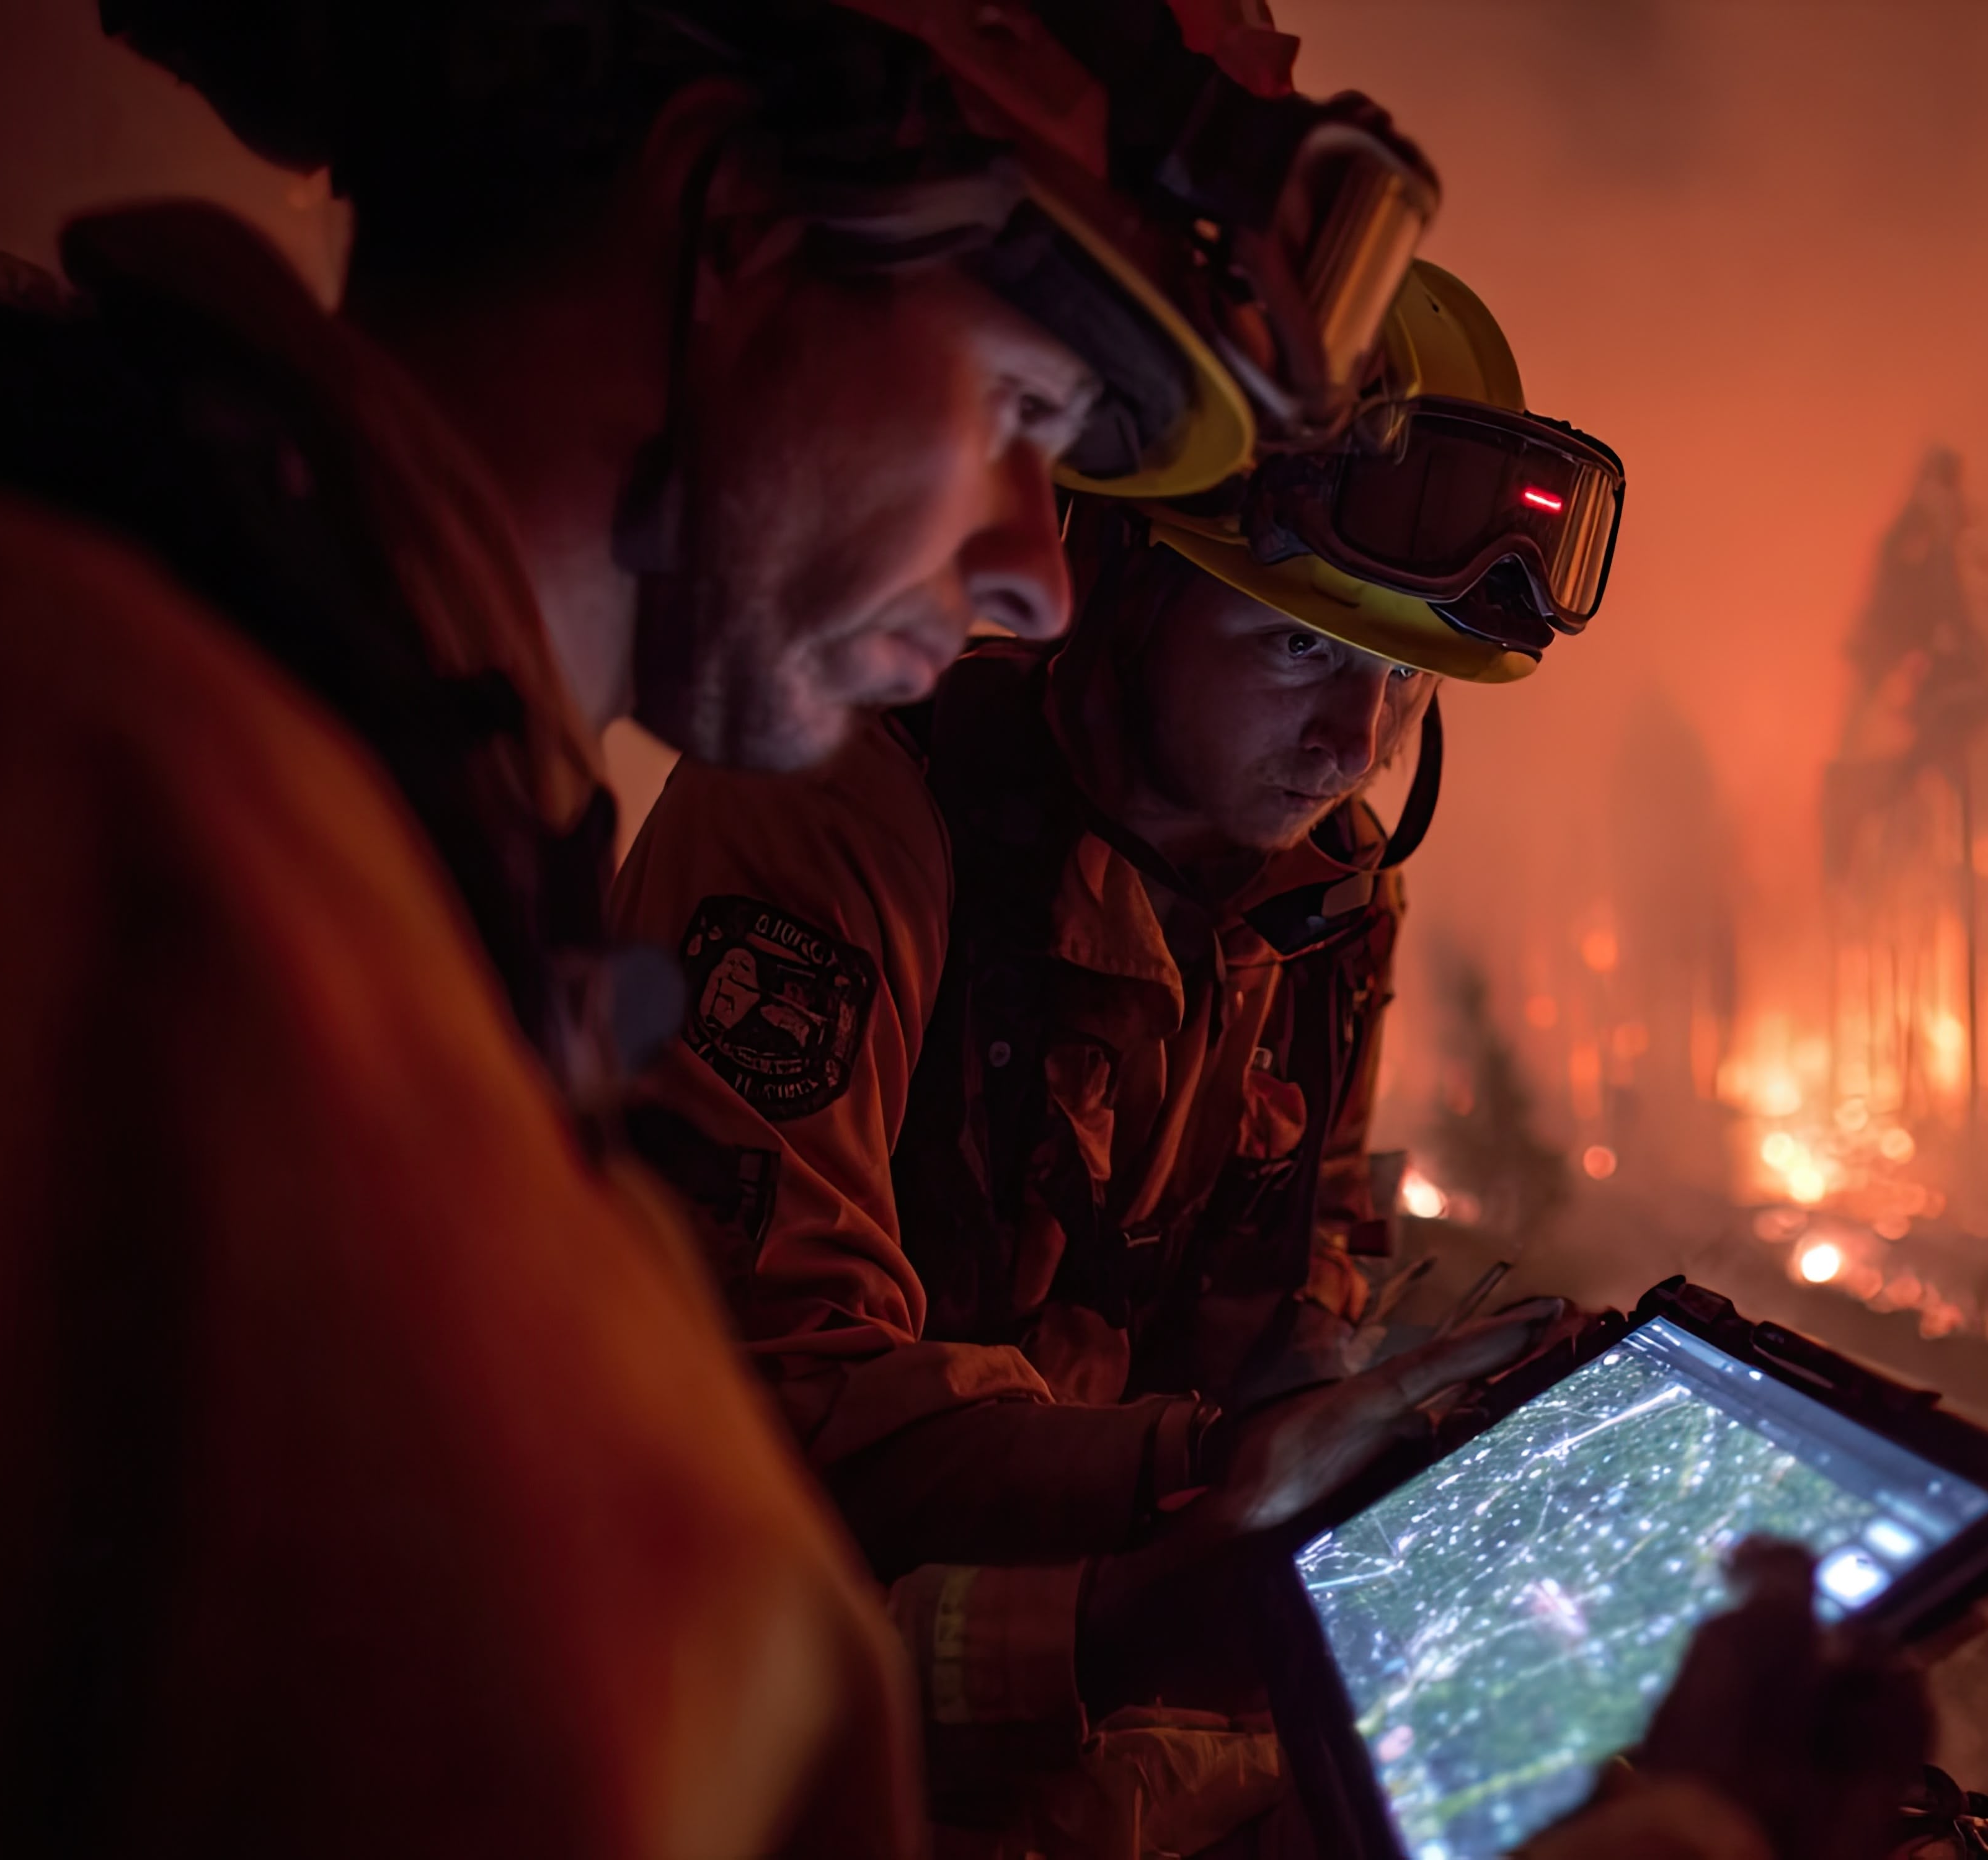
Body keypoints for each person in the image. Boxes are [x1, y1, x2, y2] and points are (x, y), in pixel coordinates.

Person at [0, 0, 1447, 1851]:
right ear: (736, 229)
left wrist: (1128, 1612)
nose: (1037, 579)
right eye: (1020, 412)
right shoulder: (125, 818)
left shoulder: (336, 794)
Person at [608, 260, 1625, 1846]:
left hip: (1132, 1654)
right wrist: (1212, 1466)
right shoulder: (835, 805)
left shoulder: (1324, 893)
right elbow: (766, 1406)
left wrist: (1369, 1430)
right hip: (762, 1692)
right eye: (1298, 647)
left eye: (1408, 681)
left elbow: (1306, 1262)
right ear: (1115, 580)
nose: (1353, 746)